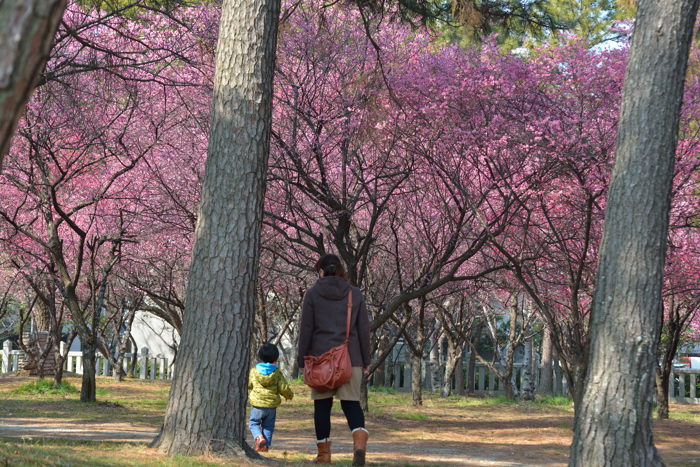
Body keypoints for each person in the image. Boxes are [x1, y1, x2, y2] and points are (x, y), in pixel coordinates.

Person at [298, 254, 371, 466]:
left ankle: (323, 456)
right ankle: (359, 443)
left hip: (320, 360)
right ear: (341, 270)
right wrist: (365, 359)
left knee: (322, 408)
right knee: (351, 404)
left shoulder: (312, 294)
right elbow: (363, 330)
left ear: (320, 270)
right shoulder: (354, 294)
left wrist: (302, 361)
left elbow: (306, 330)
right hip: (350, 357)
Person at [248, 342, 294, 452]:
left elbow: (249, 384)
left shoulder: (254, 372)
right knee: (268, 426)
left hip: (257, 405)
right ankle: (265, 446)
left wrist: (250, 392)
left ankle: (259, 438)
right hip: (271, 407)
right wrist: (289, 395)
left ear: (260, 357)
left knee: (253, 423)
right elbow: (283, 387)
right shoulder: (277, 373)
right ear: (276, 358)